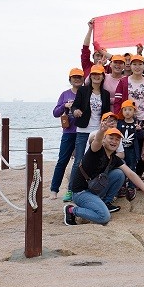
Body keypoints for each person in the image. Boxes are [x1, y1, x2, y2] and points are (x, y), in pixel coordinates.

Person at [64, 125, 144, 226]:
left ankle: (105, 202)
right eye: (111, 138)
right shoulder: (96, 150)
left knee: (119, 174)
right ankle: (72, 210)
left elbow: (131, 174)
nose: (114, 141)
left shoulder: (114, 158)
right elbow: (96, 141)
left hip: (94, 189)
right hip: (81, 192)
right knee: (104, 217)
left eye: (117, 139)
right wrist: (101, 131)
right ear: (104, 139)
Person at [65, 65, 111, 202]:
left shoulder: (105, 94)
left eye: (99, 74)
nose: (96, 77)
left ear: (103, 76)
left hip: (98, 130)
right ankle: (71, 189)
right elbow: (75, 106)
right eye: (94, 74)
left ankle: (94, 188)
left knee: (97, 160)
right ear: (90, 76)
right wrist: (75, 111)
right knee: (78, 160)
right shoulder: (83, 90)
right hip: (83, 130)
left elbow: (106, 113)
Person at [49, 68, 84, 200]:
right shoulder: (65, 94)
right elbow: (55, 113)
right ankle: (54, 189)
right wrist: (65, 105)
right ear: (70, 79)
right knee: (62, 161)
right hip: (69, 132)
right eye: (74, 77)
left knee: (81, 162)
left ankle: (75, 189)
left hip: (83, 132)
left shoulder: (86, 92)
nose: (77, 79)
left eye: (79, 77)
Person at [116, 99, 143, 201]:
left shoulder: (136, 124)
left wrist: (139, 130)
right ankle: (122, 186)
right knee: (122, 167)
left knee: (132, 168)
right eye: (125, 110)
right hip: (122, 150)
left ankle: (131, 186)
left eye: (130, 110)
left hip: (132, 150)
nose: (127, 112)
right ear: (122, 111)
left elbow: (141, 138)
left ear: (134, 111)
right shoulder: (120, 123)